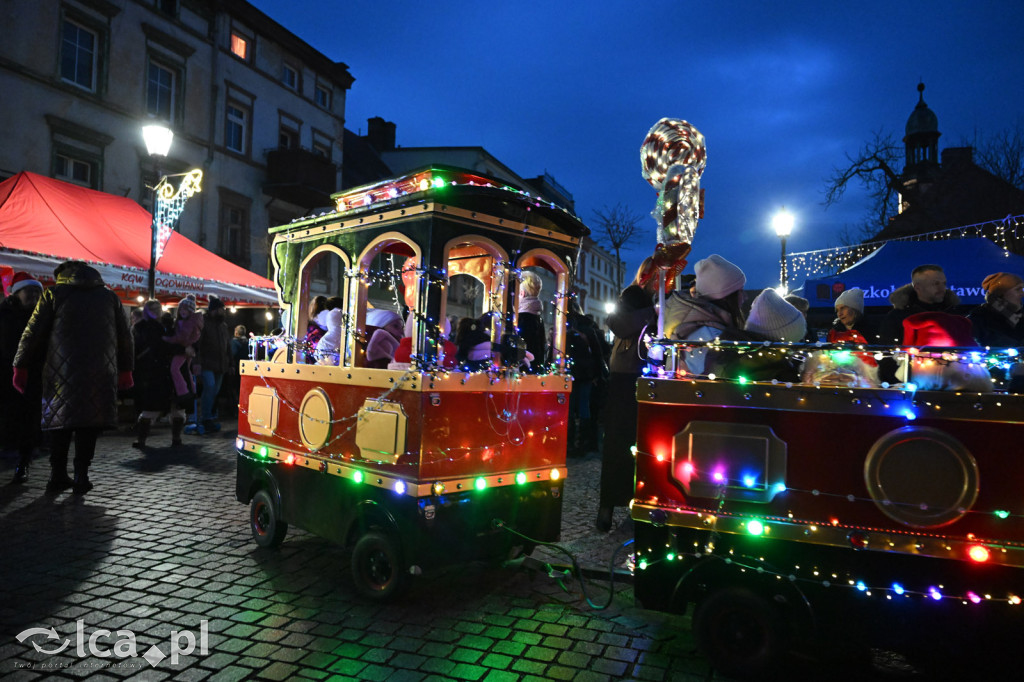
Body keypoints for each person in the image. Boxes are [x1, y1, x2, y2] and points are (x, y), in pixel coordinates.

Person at [13, 261, 133, 494]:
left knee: (61, 424)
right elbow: (125, 337)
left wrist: (20, 365)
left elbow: (32, 332)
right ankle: (81, 475)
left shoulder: (53, 294)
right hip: (101, 372)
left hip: (60, 372)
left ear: (62, 275)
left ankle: (57, 475)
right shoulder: (110, 297)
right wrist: (126, 369)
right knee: (90, 423)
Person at [598, 257, 658, 532]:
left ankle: (616, 504)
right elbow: (621, 325)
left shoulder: (635, 298)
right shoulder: (639, 300)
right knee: (627, 442)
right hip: (632, 376)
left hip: (628, 374)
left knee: (628, 443)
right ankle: (612, 504)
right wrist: (653, 313)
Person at [661, 254, 747, 376]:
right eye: (740, 291)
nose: (745, 297)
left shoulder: (702, 328)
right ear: (726, 296)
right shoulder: (709, 336)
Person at [1, 272, 43, 483]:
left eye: (37, 291)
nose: (34, 295)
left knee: (29, 418)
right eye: (30, 291)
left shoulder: (42, 317)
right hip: (6, 374)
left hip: (33, 375)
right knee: (9, 415)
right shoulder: (4, 314)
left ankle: (23, 462)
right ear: (17, 293)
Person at [714, 288, 806, 383]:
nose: (798, 343)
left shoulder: (744, 356)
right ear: (784, 338)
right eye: (797, 339)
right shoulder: (773, 370)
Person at [131, 299, 181, 448]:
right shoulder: (142, 327)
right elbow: (141, 347)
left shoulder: (166, 325)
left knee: (176, 407)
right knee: (149, 408)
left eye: (158, 308)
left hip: (166, 370)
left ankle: (176, 438)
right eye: (153, 308)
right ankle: (141, 439)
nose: (157, 311)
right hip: (150, 372)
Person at [878, 265, 960, 345]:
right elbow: (888, 351)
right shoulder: (897, 317)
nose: (942, 288)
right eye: (936, 284)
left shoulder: (954, 314)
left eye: (944, 283)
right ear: (918, 287)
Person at [566, 301, 606, 457]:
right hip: (585, 373)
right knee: (583, 409)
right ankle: (582, 443)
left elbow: (597, 352)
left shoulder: (567, 327)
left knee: (573, 409)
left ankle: (572, 443)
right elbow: (598, 353)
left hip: (575, 373)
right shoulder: (587, 328)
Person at [196, 295, 231, 433]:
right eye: (221, 309)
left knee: (214, 391)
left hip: (220, 364)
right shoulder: (204, 323)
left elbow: (227, 345)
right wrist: (197, 362)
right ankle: (206, 417)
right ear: (214, 310)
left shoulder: (223, 326)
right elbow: (198, 344)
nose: (223, 312)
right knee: (209, 388)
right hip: (207, 363)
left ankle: (208, 416)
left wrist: (231, 363)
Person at [163, 295, 203, 403]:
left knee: (174, 369)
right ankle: (192, 390)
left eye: (185, 309)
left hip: (184, 348)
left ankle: (183, 390)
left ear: (190, 311)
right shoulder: (192, 321)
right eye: (181, 309)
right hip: (188, 348)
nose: (182, 311)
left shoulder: (188, 323)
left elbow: (182, 338)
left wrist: (168, 339)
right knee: (185, 369)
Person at [967, 273, 1024, 347]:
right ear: (1000, 294)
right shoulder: (977, 320)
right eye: (1017, 289)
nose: (1022, 294)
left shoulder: (1020, 317)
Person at [517, 271, 547, 369]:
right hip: (535, 369)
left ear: (522, 293)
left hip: (523, 372)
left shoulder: (522, 318)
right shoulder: (537, 317)